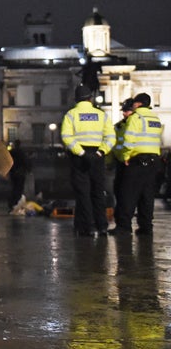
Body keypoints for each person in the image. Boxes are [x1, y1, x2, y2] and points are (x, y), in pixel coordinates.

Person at [60, 85, 115, 237]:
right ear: (90, 98)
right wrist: (100, 152)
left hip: (80, 157)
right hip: (98, 156)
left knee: (83, 193)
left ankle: (88, 226)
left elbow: (66, 137)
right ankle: (102, 226)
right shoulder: (101, 115)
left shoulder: (71, 115)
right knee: (98, 192)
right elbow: (111, 137)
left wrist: (82, 152)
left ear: (76, 99)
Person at [111, 92, 163, 236]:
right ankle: (146, 227)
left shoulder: (136, 117)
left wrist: (126, 157)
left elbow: (129, 140)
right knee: (147, 196)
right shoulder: (155, 119)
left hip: (137, 161)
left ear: (138, 104)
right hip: (154, 161)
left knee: (128, 194)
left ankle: (124, 227)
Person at [111, 98, 135, 221]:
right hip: (120, 163)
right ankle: (121, 220)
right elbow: (113, 144)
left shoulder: (135, 124)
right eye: (124, 111)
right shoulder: (118, 126)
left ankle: (125, 221)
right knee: (118, 191)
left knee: (127, 193)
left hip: (132, 163)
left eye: (127, 111)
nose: (124, 113)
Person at [7, 139, 30, 209]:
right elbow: (26, 163)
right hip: (20, 173)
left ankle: (12, 203)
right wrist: (27, 170)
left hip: (13, 173)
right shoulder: (22, 153)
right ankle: (17, 202)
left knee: (14, 188)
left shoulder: (11, 152)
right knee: (19, 188)